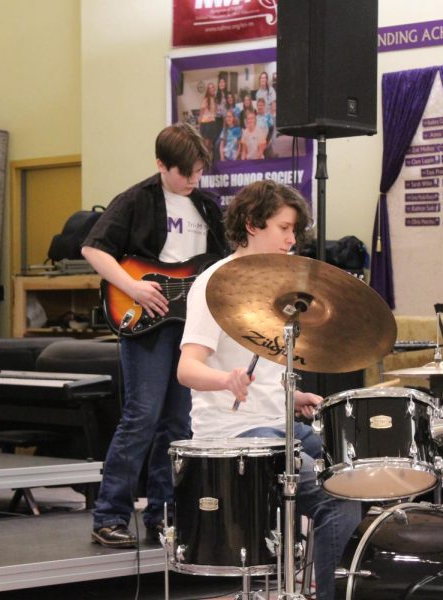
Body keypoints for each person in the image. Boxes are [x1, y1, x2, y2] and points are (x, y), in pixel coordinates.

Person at [177, 180, 360, 600]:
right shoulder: (214, 286)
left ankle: (321, 584)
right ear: (252, 224)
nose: (293, 239)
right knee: (333, 497)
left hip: (276, 424)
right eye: (284, 228)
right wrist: (226, 381)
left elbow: (263, 378)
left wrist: (291, 398)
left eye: (295, 230)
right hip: (234, 434)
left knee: (355, 475)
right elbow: (187, 369)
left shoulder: (276, 290)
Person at [82, 122, 229, 548]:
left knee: (178, 423)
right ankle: (109, 515)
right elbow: (93, 248)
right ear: (162, 165)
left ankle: (164, 515)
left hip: (190, 323)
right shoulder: (136, 200)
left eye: (199, 172)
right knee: (141, 415)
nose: (193, 179)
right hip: (146, 318)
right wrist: (132, 287)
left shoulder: (207, 206)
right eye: (185, 172)